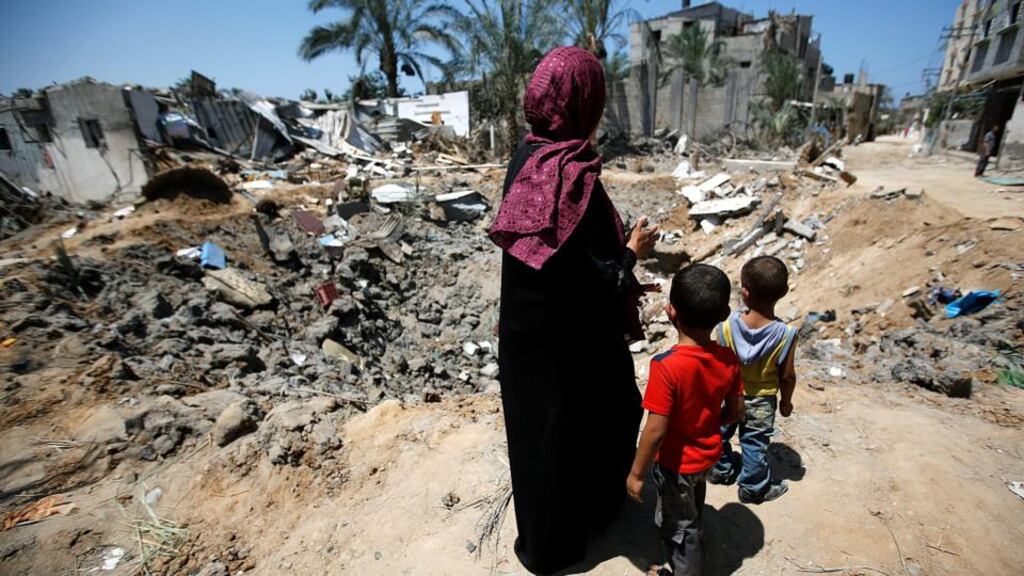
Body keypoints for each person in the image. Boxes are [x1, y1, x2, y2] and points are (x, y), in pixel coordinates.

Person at [490, 46, 660, 575]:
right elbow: (594, 282)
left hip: (525, 342)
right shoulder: (574, 176)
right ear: (587, 101)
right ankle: (596, 516)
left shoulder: (526, 159)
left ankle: (548, 547)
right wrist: (633, 249)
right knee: (607, 415)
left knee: (540, 443)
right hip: (573, 342)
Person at [626, 264, 745, 576]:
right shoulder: (728, 359)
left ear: (670, 312)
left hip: (677, 465)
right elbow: (734, 412)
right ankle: (694, 528)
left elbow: (655, 430)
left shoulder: (667, 367)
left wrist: (637, 474)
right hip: (709, 455)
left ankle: (685, 568)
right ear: (725, 314)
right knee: (694, 498)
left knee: (681, 529)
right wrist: (707, 420)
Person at [708, 256, 798, 504]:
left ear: (744, 292)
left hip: (729, 394)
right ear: (784, 292)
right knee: (755, 443)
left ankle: (721, 470)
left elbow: (718, 362)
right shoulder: (786, 334)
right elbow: (787, 375)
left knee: (720, 432)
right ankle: (752, 487)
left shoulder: (726, 325)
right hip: (762, 400)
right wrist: (786, 402)